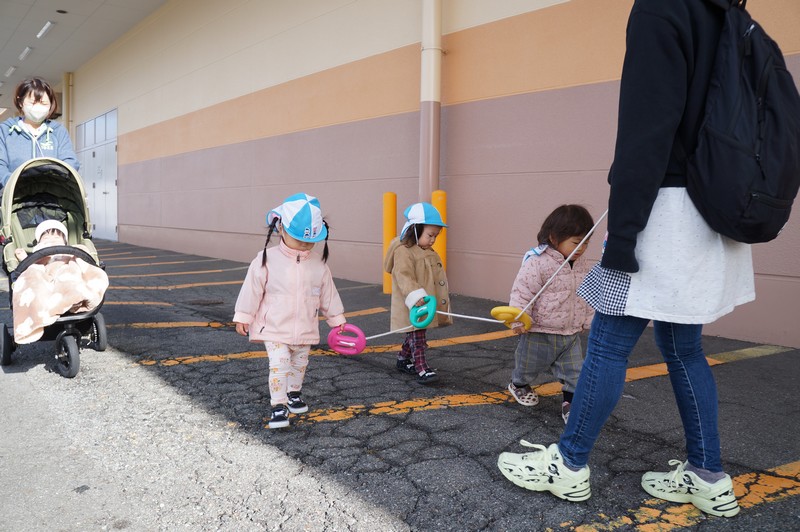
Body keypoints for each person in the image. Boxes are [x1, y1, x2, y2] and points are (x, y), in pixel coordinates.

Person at [497, 0, 754, 518]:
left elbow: (646, 134)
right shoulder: (729, 15)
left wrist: (622, 240)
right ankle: (708, 476)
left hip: (664, 215)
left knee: (609, 345)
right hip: (716, 211)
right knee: (684, 349)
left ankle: (569, 465)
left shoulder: (662, 9)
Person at [233, 193, 347, 429]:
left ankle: (294, 393)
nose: (305, 244)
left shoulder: (318, 263)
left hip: (305, 326)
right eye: (299, 238)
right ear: (281, 228)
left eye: (310, 240)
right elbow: (251, 290)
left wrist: (336, 318)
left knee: (299, 364)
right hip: (274, 327)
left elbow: (328, 293)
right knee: (279, 364)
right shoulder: (266, 259)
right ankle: (278, 405)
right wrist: (244, 316)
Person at [506, 205, 594, 424]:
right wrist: (517, 318)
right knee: (527, 366)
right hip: (540, 330)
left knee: (576, 373)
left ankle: (571, 402)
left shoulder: (583, 265)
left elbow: (588, 294)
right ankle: (518, 384)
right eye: (576, 242)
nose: (582, 248)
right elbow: (522, 292)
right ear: (554, 238)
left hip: (570, 334)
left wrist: (590, 320)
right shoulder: (538, 263)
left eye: (586, 242)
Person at [383, 202, 451, 384]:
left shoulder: (425, 250)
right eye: (430, 235)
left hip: (423, 303)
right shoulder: (404, 251)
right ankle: (421, 367)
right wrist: (415, 295)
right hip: (413, 302)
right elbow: (403, 275)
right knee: (417, 334)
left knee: (415, 332)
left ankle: (403, 359)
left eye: (435, 236)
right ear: (415, 229)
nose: (433, 240)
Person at [12, 219, 108, 344]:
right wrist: (25, 258)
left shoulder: (69, 250)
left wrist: (79, 251)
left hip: (65, 271)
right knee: (33, 275)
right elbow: (31, 266)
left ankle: (74, 296)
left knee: (72, 273)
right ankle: (56, 303)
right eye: (46, 238)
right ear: (39, 242)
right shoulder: (38, 251)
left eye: (57, 237)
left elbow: (79, 260)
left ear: (65, 241)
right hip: (46, 277)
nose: (51, 240)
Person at [0, 77, 80, 187]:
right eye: (32, 102)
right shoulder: (5, 131)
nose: (38, 107)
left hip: (51, 193)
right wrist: (15, 184)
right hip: (15, 193)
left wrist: (54, 180)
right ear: (20, 102)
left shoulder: (58, 131)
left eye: (43, 103)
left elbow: (70, 162)